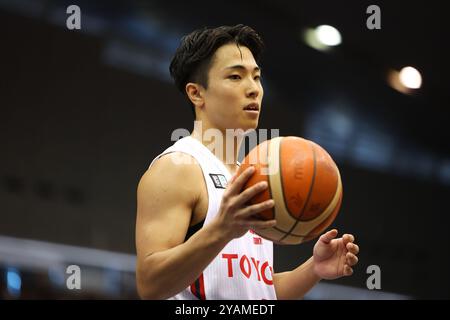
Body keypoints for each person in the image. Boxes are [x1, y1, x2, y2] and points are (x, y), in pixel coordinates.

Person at [135, 24, 359, 300]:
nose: (253, 89)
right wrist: (221, 230)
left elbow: (258, 294)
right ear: (196, 93)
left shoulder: (257, 178)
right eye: (235, 77)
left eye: (256, 77)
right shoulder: (178, 168)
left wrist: (314, 269)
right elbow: (150, 286)